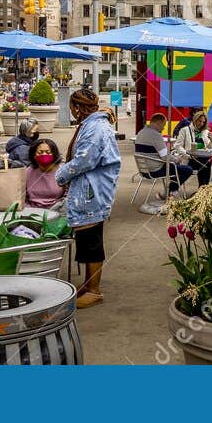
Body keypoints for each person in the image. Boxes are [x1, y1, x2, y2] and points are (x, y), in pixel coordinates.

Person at [56, 90, 121, 308]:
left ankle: (94, 290)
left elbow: (83, 161)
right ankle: (88, 283)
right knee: (87, 238)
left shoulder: (95, 128)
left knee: (91, 240)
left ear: (76, 108)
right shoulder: (93, 125)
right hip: (90, 189)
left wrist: (61, 175)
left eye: (72, 107)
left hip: (92, 191)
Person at [135, 112, 194, 193]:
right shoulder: (155, 135)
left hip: (144, 170)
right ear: (158, 123)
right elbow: (165, 157)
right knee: (187, 169)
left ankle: (169, 191)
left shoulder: (141, 133)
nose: (163, 128)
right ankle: (171, 191)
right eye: (163, 125)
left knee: (175, 167)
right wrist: (177, 159)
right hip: (155, 169)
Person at [24, 137, 65, 210]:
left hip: (57, 211)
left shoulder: (63, 171)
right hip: (32, 212)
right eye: (40, 152)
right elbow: (23, 197)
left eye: (48, 152)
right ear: (34, 155)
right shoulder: (27, 172)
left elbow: (68, 195)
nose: (44, 155)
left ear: (54, 154)